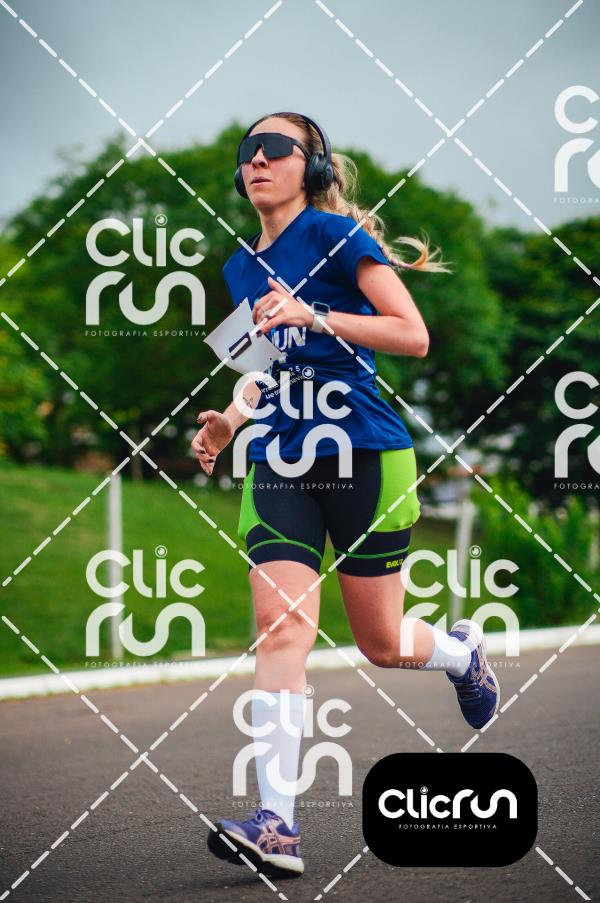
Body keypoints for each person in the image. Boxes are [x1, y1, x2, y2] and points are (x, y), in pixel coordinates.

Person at [192, 111, 499, 879]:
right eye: (248, 151)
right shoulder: (239, 266)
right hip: (281, 459)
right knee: (281, 625)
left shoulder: (338, 237)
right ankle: (277, 825)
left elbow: (412, 333)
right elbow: (264, 366)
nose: (258, 160)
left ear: (316, 167)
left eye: (276, 148)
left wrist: (316, 313)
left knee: (382, 643)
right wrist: (230, 420)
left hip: (367, 451)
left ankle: (461, 655)